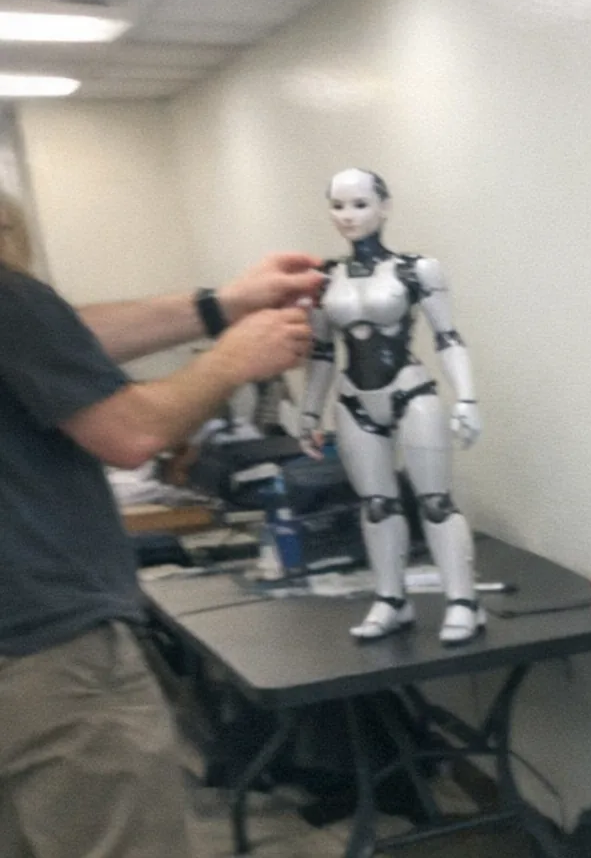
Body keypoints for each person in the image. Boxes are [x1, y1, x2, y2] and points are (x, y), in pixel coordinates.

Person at [0, 188, 324, 858]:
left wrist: (221, 305)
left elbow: (57, 338)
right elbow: (132, 433)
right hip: (45, 655)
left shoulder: (20, 313)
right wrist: (235, 357)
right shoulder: (9, 296)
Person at [299, 168, 484, 644]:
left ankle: (463, 601)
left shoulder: (416, 269)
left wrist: (466, 396)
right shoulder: (323, 279)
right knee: (377, 505)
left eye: (359, 204)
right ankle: (391, 599)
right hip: (354, 398)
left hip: (410, 390)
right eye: (338, 205)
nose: (348, 215)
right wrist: (307, 412)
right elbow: (321, 352)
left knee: (435, 501)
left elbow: (447, 336)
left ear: (384, 207)